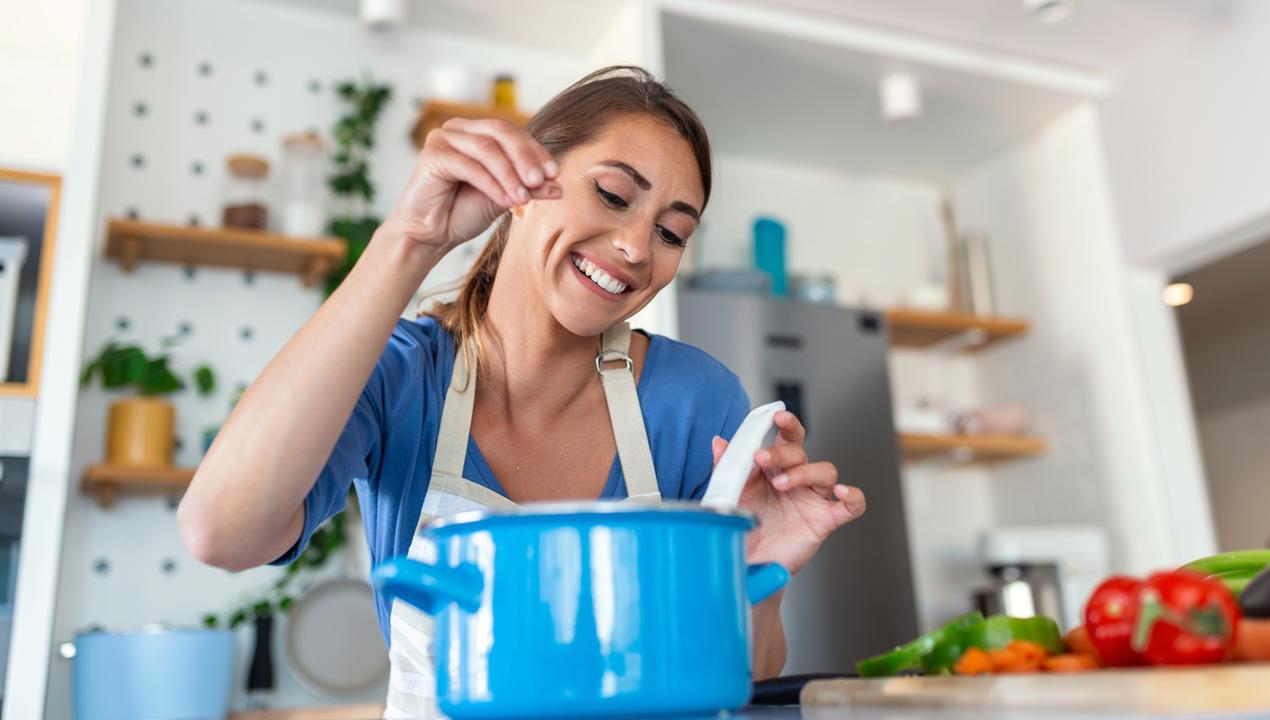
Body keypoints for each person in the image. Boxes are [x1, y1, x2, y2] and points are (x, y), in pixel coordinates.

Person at [178, 66, 866, 717]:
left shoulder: (696, 400)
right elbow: (221, 531)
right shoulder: (402, 377)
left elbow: (743, 680)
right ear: (522, 186)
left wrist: (755, 573)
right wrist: (412, 237)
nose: (634, 246)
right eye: (614, 195)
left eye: (670, 231)